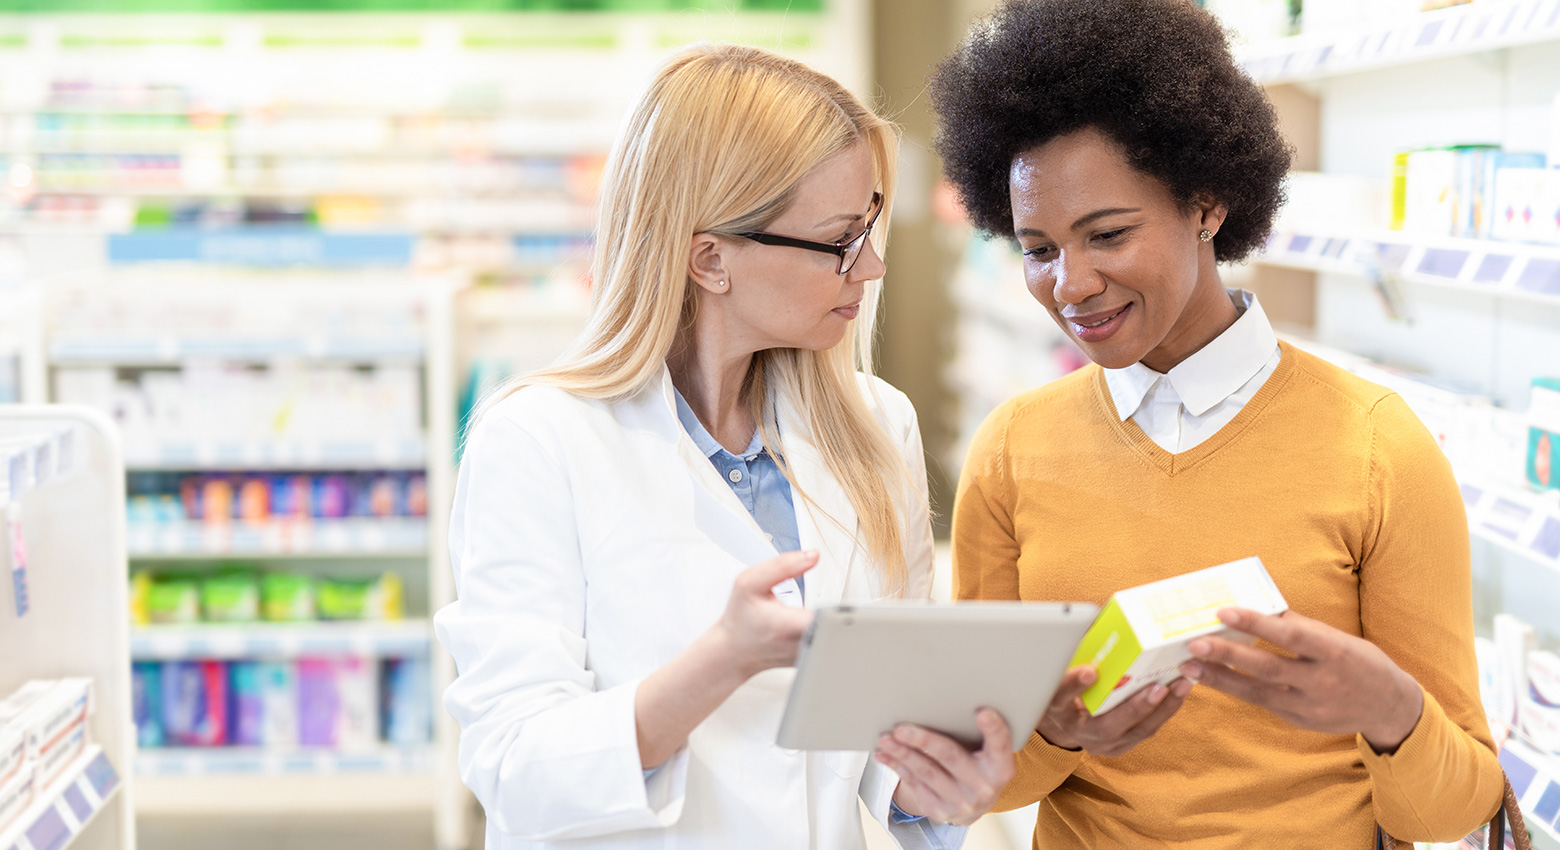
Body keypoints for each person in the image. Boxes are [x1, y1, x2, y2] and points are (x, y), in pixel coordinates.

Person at [928, 0, 1505, 846]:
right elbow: (985, 775)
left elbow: (1453, 808)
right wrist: (1059, 730)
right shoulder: (1013, 450)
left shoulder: (1378, 447)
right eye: (1039, 249)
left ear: (1206, 203)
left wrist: (1393, 712)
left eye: (1109, 233)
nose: (1072, 284)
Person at [434, 43, 1015, 850]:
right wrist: (723, 660)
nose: (873, 266)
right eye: (842, 239)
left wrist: (938, 785)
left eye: (870, 228)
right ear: (710, 258)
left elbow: (882, 736)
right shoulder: (540, 440)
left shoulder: (878, 428)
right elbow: (514, 767)